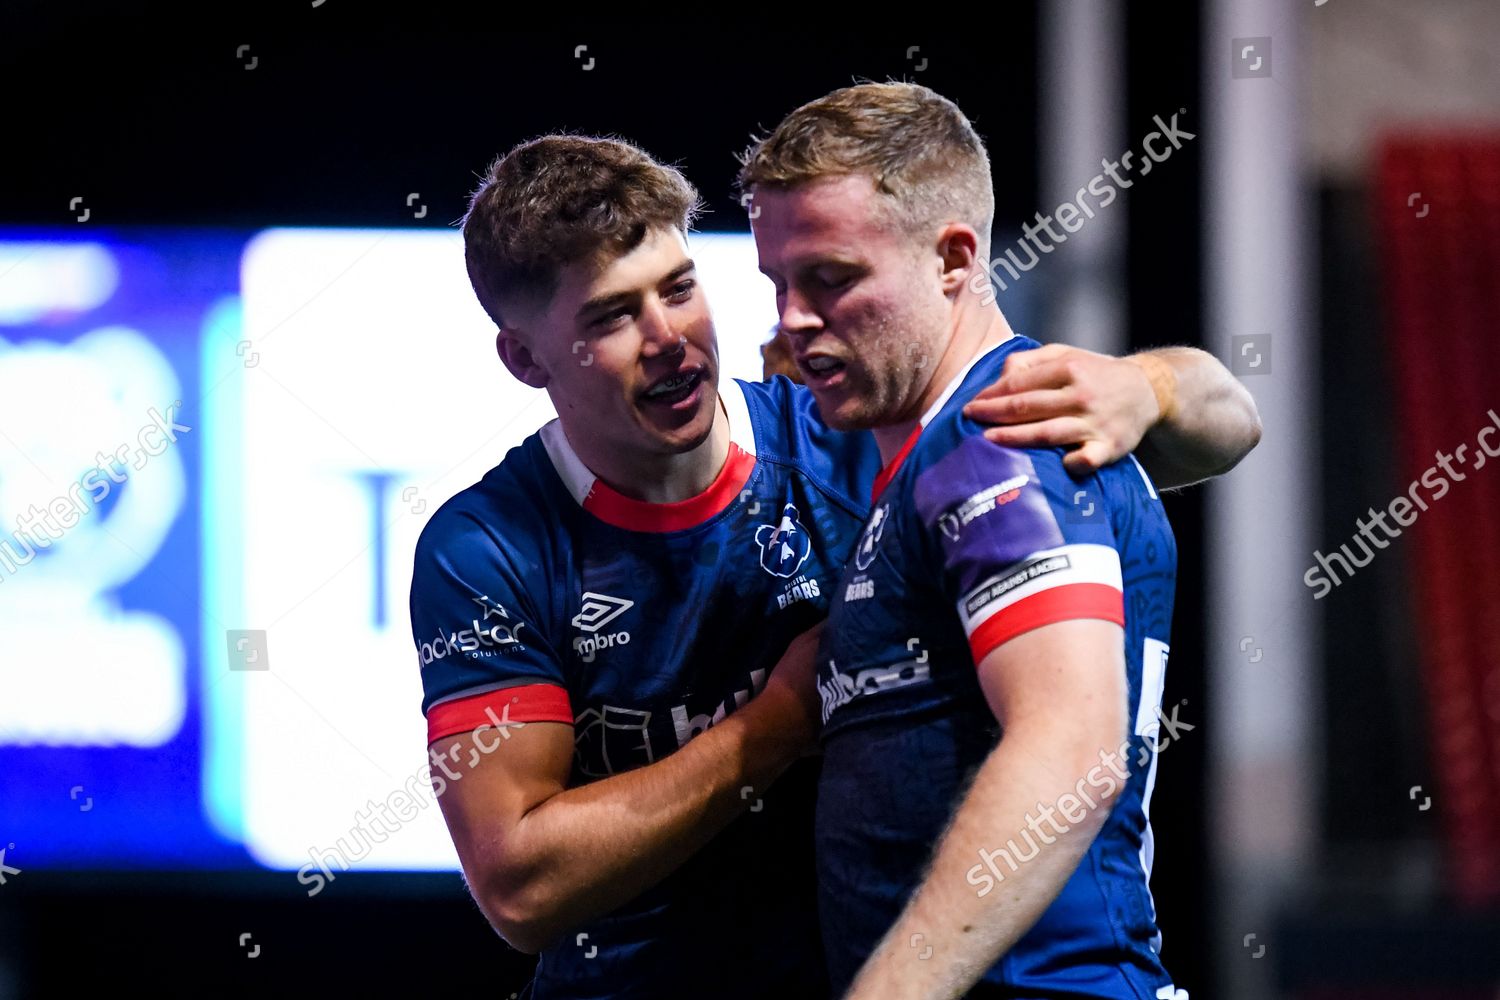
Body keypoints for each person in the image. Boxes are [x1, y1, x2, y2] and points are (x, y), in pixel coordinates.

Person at [410, 133, 1258, 998]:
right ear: (525, 359)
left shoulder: (857, 433)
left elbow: (1230, 425)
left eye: (680, 288)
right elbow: (520, 887)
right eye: (613, 316)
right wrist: (772, 725)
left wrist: (1149, 386)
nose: (668, 337)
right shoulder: (486, 547)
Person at [741, 81, 1227, 999]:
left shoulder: (994, 436)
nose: (795, 318)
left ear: (955, 257)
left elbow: (1072, 750)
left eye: (832, 279)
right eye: (779, 284)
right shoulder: (928, 450)